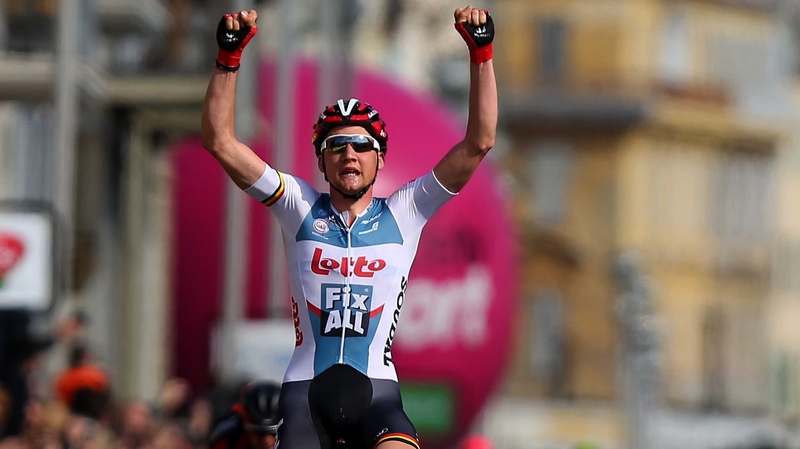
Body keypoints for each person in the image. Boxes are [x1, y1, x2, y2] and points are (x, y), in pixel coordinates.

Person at [201, 5, 496, 449]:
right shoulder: (298, 205)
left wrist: (482, 55)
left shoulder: (406, 210)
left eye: (362, 145)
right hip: (306, 395)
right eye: (336, 145)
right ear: (321, 158)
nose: (350, 154)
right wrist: (228, 60)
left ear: (380, 157)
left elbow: (480, 142)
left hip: (376, 394)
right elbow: (220, 141)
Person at [207, 381, 280, 449]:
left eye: (273, 433)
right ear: (245, 425)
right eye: (260, 433)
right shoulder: (226, 435)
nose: (267, 439)